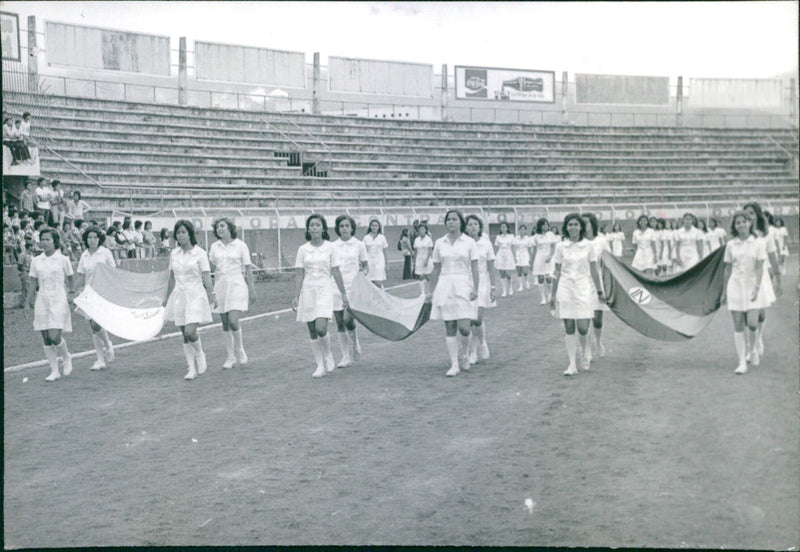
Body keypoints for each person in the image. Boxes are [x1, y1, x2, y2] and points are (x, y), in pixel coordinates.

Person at [292, 214, 349, 378]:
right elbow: (299, 274)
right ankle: (320, 365)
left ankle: (328, 353)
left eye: (318, 225)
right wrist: (296, 296)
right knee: (311, 330)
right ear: (308, 229)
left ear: (323, 228)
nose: (314, 228)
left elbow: (336, 271)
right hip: (308, 290)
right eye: (312, 225)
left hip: (325, 289)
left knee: (320, 328)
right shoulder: (303, 249)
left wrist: (344, 293)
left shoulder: (331, 247)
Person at [425, 209, 480, 377]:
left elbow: (475, 267)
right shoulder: (440, 242)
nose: (451, 222)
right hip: (445, 285)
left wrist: (475, 288)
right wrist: (430, 291)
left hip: (463, 284)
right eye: (448, 220)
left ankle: (465, 354)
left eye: (454, 219)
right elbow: (436, 269)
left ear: (460, 222)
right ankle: (454, 364)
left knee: (464, 327)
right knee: (449, 326)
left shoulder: (469, 242)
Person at [549, 213, 604, 376]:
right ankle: (572, 363)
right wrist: (552, 295)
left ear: (581, 227)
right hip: (565, 289)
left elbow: (594, 270)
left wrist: (599, 291)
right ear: (566, 227)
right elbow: (556, 272)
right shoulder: (561, 247)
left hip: (583, 288)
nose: (573, 227)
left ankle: (585, 351)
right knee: (569, 327)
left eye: (576, 224)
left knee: (582, 327)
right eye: (570, 224)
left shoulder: (589, 246)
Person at [163, 220, 215, 381]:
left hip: (196, 295)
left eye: (184, 232)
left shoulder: (200, 253)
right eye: (178, 233)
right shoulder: (174, 253)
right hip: (179, 296)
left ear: (190, 234)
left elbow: (206, 275)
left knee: (190, 331)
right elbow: (172, 277)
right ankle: (191, 368)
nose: (181, 236)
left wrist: (211, 293)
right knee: (184, 334)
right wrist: (166, 297)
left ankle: (200, 353)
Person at [25, 227, 76, 381]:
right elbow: (32, 282)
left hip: (59, 298)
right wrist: (28, 303)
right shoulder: (36, 260)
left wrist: (71, 293)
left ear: (55, 241)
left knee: (54, 335)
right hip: (42, 299)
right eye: (43, 239)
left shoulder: (63, 259)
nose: (45, 242)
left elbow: (71, 279)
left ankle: (67, 357)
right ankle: (54, 371)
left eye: (48, 239)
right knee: (46, 337)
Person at [721, 212, 770, 374]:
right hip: (735, 286)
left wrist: (756, 288)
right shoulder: (730, 245)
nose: (741, 225)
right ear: (735, 227)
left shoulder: (757, 244)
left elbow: (759, 268)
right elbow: (727, 268)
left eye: (743, 222)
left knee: (753, 323)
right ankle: (742, 362)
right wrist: (724, 291)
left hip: (752, 286)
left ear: (750, 224)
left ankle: (753, 349)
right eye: (738, 223)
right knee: (738, 324)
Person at [208, 218, 256, 370]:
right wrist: (212, 291)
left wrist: (252, 288)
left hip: (237, 284)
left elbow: (248, 268)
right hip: (221, 284)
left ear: (229, 227)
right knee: (225, 322)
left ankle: (240, 349)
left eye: (222, 226)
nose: (219, 229)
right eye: (217, 227)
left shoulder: (241, 245)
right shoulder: (214, 247)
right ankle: (230, 356)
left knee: (234, 321)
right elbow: (210, 269)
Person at [742, 202, 782, 362]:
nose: (748, 217)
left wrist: (778, 278)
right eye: (746, 214)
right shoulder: (741, 233)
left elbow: (772, 256)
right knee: (748, 317)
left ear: (757, 215)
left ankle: (757, 340)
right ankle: (750, 348)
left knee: (759, 315)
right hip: (744, 278)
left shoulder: (768, 233)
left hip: (761, 277)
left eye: (751, 213)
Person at [75, 226, 117, 370]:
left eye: (95, 237)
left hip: (103, 292)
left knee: (96, 324)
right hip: (89, 293)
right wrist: (73, 290)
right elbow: (81, 275)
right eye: (89, 237)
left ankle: (107, 345)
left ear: (99, 239)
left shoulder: (105, 253)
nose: (92, 240)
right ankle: (100, 359)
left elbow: (113, 271)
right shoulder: (84, 255)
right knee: (93, 327)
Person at [330, 214, 369, 368]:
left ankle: (355, 342)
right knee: (339, 322)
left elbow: (366, 265)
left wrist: (362, 273)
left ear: (352, 228)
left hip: (353, 287)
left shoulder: (359, 245)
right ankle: (345, 356)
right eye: (341, 226)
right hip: (336, 286)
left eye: (347, 226)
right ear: (338, 229)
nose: (344, 228)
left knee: (348, 320)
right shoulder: (332, 246)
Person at [465, 214, 498, 365]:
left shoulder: (486, 244)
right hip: (466, 282)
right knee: (468, 320)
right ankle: (472, 353)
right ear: (465, 227)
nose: (472, 227)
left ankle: (482, 343)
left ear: (480, 227)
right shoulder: (463, 243)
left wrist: (493, 287)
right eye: (470, 224)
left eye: (475, 224)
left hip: (483, 282)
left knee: (477, 318)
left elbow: (491, 267)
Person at [582, 213, 609, 360]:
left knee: (597, 318)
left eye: (586, 222)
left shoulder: (601, 240)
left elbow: (608, 262)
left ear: (592, 224)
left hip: (597, 281)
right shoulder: (578, 241)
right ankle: (587, 350)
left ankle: (597, 341)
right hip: (581, 282)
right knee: (584, 317)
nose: (584, 225)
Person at [530, 217, 557, 305]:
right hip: (539, 258)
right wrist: (531, 261)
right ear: (540, 226)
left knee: (549, 278)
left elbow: (553, 247)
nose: (546, 226)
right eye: (544, 224)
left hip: (549, 258)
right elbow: (534, 250)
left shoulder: (551, 234)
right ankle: (543, 298)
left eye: (547, 224)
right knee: (540, 278)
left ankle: (549, 294)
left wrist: (550, 256)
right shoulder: (536, 236)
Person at [363, 218, 388, 288]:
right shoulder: (366, 238)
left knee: (378, 280)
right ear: (370, 227)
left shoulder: (382, 237)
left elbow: (385, 251)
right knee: (369, 281)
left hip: (379, 260)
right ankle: (371, 297)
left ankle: (381, 295)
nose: (374, 227)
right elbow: (364, 251)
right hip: (369, 261)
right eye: (373, 225)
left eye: (376, 226)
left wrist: (387, 264)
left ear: (378, 227)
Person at [493, 221, 516, 297]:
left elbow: (513, 247)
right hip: (500, 254)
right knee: (501, 273)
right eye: (501, 227)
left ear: (507, 228)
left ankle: (510, 288)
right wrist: (495, 257)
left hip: (508, 254)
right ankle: (504, 290)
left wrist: (515, 256)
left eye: (504, 227)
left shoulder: (511, 236)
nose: (503, 228)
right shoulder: (498, 237)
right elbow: (496, 247)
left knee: (508, 273)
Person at [413, 223, 434, 295]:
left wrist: (427, 260)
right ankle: (422, 293)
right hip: (419, 259)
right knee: (421, 276)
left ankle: (430, 291)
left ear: (426, 230)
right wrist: (414, 261)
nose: (421, 231)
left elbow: (430, 250)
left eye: (423, 229)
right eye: (420, 229)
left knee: (428, 276)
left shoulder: (429, 239)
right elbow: (415, 251)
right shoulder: (416, 240)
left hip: (427, 259)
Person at [513, 224, 532, 291]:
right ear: (519, 230)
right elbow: (514, 248)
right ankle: (520, 286)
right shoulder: (516, 238)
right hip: (518, 254)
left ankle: (526, 281)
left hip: (525, 254)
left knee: (525, 270)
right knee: (519, 271)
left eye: (523, 229)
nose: (522, 230)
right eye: (521, 229)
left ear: (525, 230)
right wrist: (514, 256)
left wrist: (530, 258)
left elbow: (529, 249)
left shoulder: (528, 239)